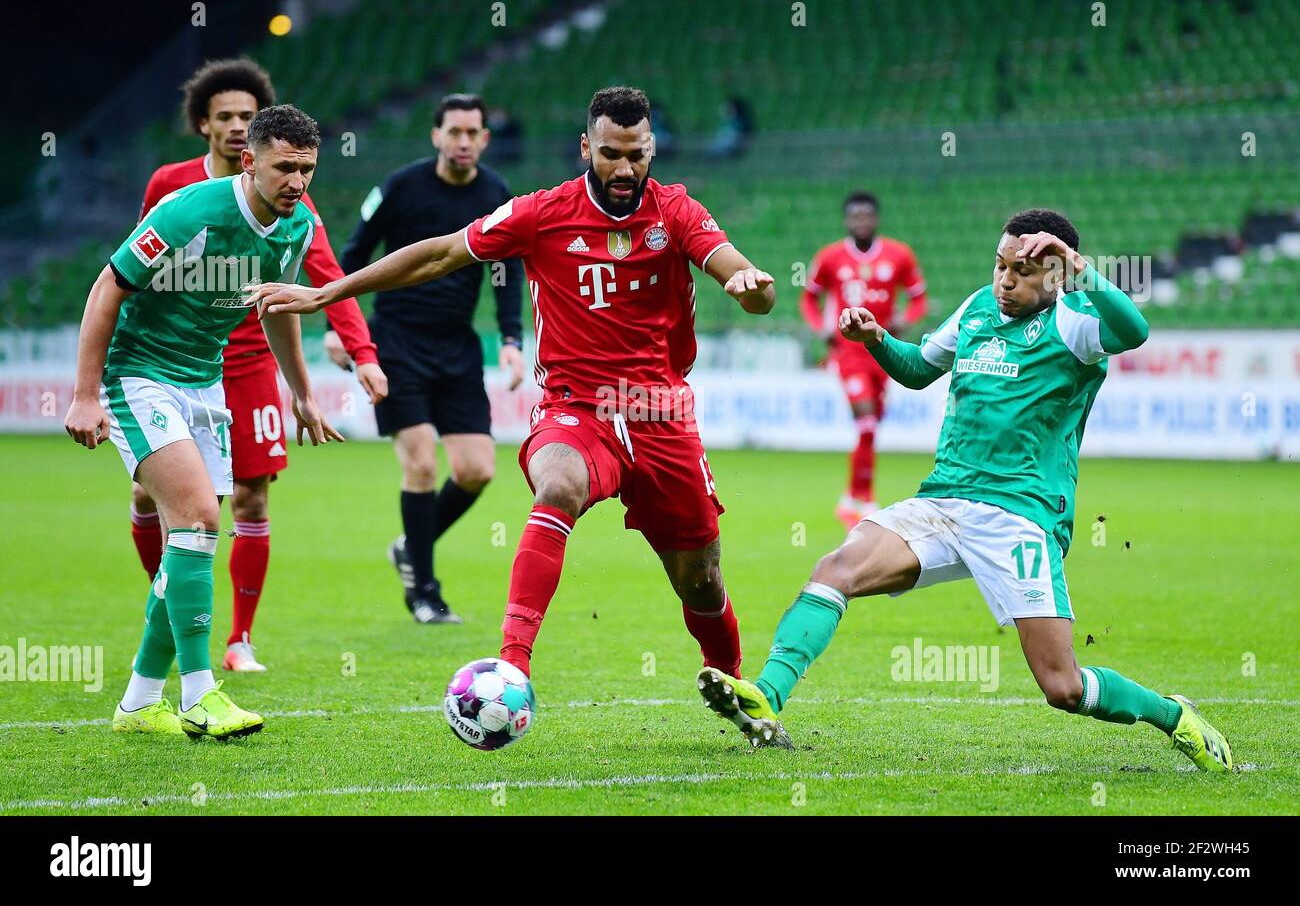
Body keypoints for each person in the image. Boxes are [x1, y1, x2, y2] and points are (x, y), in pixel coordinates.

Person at [251, 86, 777, 682]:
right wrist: (330, 293)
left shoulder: (678, 212)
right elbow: (440, 254)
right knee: (558, 483)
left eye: (636, 153)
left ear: (652, 147)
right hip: (577, 408)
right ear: (586, 147)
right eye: (610, 153)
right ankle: (510, 668)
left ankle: (731, 679)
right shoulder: (540, 212)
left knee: (699, 576)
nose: (624, 168)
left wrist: (752, 285)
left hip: (660, 410)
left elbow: (739, 272)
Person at [696, 209, 1234, 773]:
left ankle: (1174, 716)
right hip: (944, 500)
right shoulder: (978, 307)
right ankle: (766, 698)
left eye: (1022, 272)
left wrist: (1080, 269)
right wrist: (877, 338)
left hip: (1021, 516)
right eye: (1000, 266)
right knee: (836, 570)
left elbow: (1135, 331)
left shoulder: (1076, 323)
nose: (1005, 280)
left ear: (1055, 275)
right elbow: (917, 369)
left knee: (1063, 686)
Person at [65, 105, 343, 738]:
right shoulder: (189, 211)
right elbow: (109, 286)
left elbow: (277, 307)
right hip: (138, 375)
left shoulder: (296, 228)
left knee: (188, 541)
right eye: (284, 169)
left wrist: (300, 391)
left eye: (307, 170)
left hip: (205, 383)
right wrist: (85, 395)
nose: (296, 183)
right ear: (249, 160)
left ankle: (137, 703)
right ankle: (199, 694)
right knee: (199, 517)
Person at [130, 58, 386, 671]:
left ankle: (239, 638)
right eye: (226, 117)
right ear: (205, 126)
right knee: (151, 498)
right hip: (169, 360)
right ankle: (171, 606)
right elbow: (129, 274)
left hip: (248, 361)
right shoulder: (173, 186)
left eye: (248, 115)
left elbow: (324, 279)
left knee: (250, 499)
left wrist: (362, 353)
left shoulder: (293, 198)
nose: (238, 125)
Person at [341, 93, 525, 624]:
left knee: (476, 470)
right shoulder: (402, 186)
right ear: (436, 135)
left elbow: (506, 273)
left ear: (485, 139)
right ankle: (424, 589)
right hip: (396, 339)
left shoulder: (496, 194)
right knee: (420, 460)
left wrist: (511, 340)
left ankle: (410, 547)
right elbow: (352, 256)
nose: (464, 141)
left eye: (473, 133)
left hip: (458, 344)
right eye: (455, 131)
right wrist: (343, 326)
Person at [801, 192, 928, 528]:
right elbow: (809, 299)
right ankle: (863, 499)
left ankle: (850, 497)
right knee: (867, 422)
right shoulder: (830, 258)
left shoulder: (899, 254)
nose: (861, 221)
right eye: (855, 216)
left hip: (883, 350)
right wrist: (821, 327)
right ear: (847, 220)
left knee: (871, 427)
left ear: (876, 219)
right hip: (849, 352)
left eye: (867, 216)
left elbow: (918, 299)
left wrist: (905, 320)